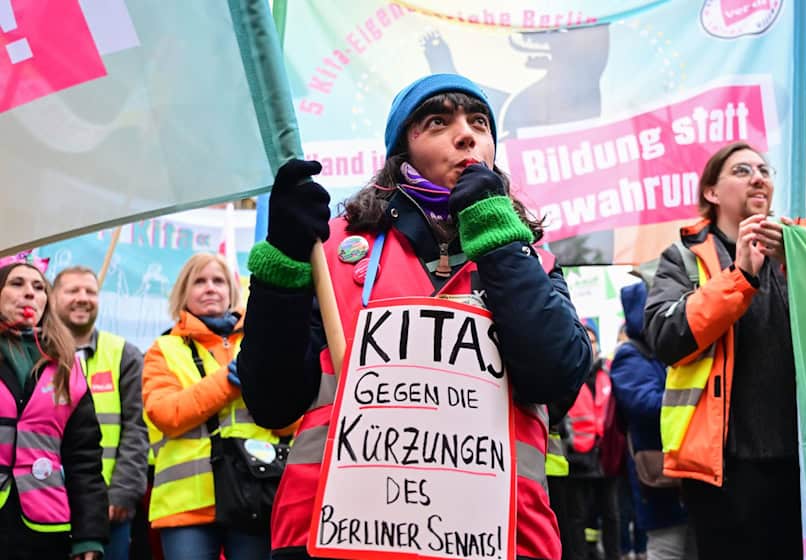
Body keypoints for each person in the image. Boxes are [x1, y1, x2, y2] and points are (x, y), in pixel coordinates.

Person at [236, 72, 593, 560]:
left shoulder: (531, 260)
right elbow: (272, 402)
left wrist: (500, 240)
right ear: (402, 148)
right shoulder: (331, 252)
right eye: (438, 121)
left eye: (479, 122)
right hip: (337, 534)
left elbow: (556, 380)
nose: (466, 135)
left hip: (497, 537)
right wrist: (283, 262)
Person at [643, 141, 801, 559]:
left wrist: (796, 264)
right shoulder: (683, 257)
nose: (758, 178)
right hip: (722, 467)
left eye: (764, 170)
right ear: (712, 192)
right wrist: (740, 275)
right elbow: (666, 337)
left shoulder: (796, 252)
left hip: (799, 459)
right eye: (742, 170)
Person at [142, 253, 295, 560]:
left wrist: (266, 387)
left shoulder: (261, 342)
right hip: (188, 504)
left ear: (232, 290)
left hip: (257, 494)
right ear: (183, 292)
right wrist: (229, 381)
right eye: (199, 281)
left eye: (218, 281)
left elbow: (290, 422)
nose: (210, 288)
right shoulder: (163, 349)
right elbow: (167, 415)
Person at [0, 261, 108, 559]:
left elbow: (84, 460)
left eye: (38, 288)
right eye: (17, 284)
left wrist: (89, 537)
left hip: (45, 527)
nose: (29, 293)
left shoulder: (66, 366)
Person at [52, 265, 149, 560]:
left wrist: (122, 492)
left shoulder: (124, 354)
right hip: (43, 503)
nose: (83, 298)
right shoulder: (35, 354)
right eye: (73, 290)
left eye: (90, 291)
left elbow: (137, 429)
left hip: (107, 507)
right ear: (52, 297)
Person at [610, 282, 694, 560]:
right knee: (666, 547)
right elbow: (644, 405)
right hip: (658, 474)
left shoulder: (663, 350)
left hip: (681, 469)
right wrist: (693, 398)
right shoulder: (631, 355)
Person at [560, 323, 621, 560]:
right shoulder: (568, 373)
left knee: (610, 514)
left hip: (605, 457)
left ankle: (612, 555)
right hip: (577, 458)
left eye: (593, 340)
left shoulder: (607, 374)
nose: (590, 345)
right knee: (578, 517)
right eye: (586, 339)